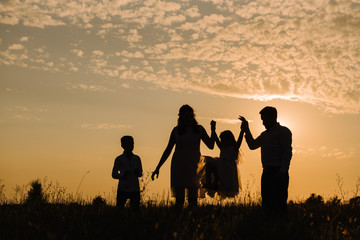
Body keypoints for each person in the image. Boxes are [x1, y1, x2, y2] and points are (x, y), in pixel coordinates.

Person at [151, 105, 214, 207]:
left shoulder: (199, 129)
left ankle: (191, 219)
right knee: (179, 199)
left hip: (194, 164)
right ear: (181, 117)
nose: (188, 118)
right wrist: (158, 167)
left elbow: (211, 145)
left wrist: (213, 130)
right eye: (185, 116)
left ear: (193, 116)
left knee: (193, 198)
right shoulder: (176, 131)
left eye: (190, 115)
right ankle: (178, 219)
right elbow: (168, 149)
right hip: (179, 164)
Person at [239, 106, 292, 215]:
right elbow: (252, 145)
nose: (263, 123)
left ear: (273, 117)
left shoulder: (283, 131)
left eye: (264, 119)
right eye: (262, 120)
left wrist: (283, 171)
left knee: (280, 203)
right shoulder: (264, 135)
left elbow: (287, 152)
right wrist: (246, 130)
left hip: (278, 171)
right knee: (267, 202)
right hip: (267, 171)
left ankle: (281, 226)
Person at [199, 120, 244, 198]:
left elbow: (240, 138)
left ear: (230, 139)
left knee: (214, 164)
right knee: (209, 163)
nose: (223, 141)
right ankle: (210, 182)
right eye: (222, 140)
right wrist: (213, 129)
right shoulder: (222, 147)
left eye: (224, 139)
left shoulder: (235, 147)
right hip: (222, 166)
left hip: (229, 169)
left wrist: (243, 129)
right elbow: (216, 139)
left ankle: (215, 183)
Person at [112, 135, 143, 209]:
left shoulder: (137, 158)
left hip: (135, 189)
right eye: (129, 144)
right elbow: (113, 174)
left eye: (132, 144)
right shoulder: (119, 159)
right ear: (123, 145)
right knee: (119, 209)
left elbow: (140, 173)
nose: (131, 146)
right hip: (123, 188)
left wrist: (137, 172)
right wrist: (123, 175)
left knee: (135, 210)